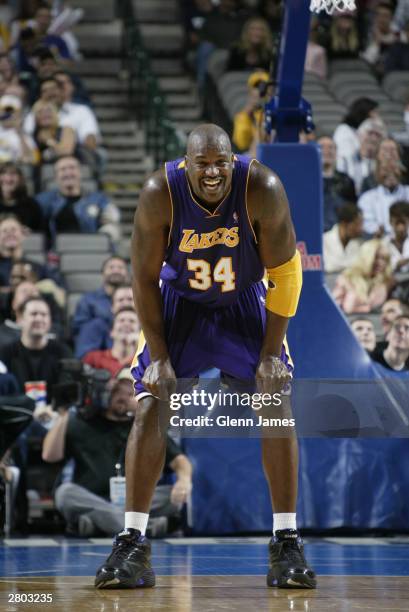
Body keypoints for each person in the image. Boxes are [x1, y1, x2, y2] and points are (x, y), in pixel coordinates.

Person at [94, 124, 316, 590]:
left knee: (276, 402)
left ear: (233, 160)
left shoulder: (263, 187)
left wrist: (271, 355)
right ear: (187, 163)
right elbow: (142, 279)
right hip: (180, 305)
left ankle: (286, 540)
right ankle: (132, 540)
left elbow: (285, 274)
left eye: (222, 163)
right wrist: (158, 356)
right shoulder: (160, 192)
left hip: (244, 302)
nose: (213, 172)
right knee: (152, 403)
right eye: (203, 164)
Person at [42, 378, 193, 537]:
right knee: (65, 493)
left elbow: (179, 460)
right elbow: (50, 456)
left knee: (173, 496)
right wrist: (63, 415)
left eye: (130, 394)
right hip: (92, 497)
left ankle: (99, 524)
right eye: (117, 392)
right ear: (105, 394)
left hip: (133, 501)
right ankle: (143, 528)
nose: (123, 398)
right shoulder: (82, 422)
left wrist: (184, 481)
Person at [35, 155, 120, 248]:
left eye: (72, 168)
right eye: (62, 169)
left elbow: (112, 221)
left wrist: (102, 239)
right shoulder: (44, 200)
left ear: (80, 172)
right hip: (56, 255)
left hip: (90, 251)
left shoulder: (99, 199)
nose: (68, 173)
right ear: (56, 176)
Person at [0, 296, 71, 402]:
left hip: (55, 414)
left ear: (50, 320)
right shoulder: (5, 353)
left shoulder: (63, 352)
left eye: (44, 314)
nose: (39, 318)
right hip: (17, 415)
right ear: (20, 318)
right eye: (33, 314)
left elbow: (69, 390)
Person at [72, 256, 129, 339]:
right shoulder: (88, 300)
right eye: (111, 267)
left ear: (127, 273)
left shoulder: (136, 300)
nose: (116, 270)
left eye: (120, 268)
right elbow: (81, 330)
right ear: (103, 273)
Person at [332, 239, 394, 314]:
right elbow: (333, 307)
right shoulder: (346, 278)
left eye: (384, 259)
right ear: (366, 257)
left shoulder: (385, 283)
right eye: (376, 257)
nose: (380, 263)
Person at [74, 284, 134, 359]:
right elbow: (84, 357)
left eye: (130, 299)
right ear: (112, 306)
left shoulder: (148, 329)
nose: (125, 303)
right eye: (120, 300)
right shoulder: (94, 326)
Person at [82, 308, 141, 378]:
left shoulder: (144, 361)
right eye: (121, 320)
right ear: (111, 332)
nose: (126, 324)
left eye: (132, 321)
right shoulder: (93, 358)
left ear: (140, 332)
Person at [358, 157, 409, 237]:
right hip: (378, 242)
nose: (390, 172)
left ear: (401, 172)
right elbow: (366, 224)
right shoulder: (367, 198)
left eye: (394, 168)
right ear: (377, 174)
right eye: (385, 169)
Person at [333, 98, 380, 178]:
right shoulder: (344, 131)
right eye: (374, 112)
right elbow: (345, 160)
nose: (377, 116)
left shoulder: (358, 131)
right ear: (365, 113)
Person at [318, 135, 356, 231]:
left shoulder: (347, 181)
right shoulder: (308, 180)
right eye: (322, 147)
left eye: (331, 147)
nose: (327, 151)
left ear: (336, 152)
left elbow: (352, 211)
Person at [232, 70, 269, 154]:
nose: (259, 91)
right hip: (252, 154)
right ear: (250, 91)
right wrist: (246, 115)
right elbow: (241, 143)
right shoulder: (243, 116)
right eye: (256, 86)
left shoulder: (272, 111)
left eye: (262, 87)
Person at [0, 161, 44, 231]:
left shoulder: (32, 205)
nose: (8, 179)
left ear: (21, 179)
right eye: (3, 173)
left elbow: (40, 235)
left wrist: (30, 233)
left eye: (13, 174)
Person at [32, 99, 75, 164]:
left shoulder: (66, 130)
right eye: (40, 112)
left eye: (48, 110)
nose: (45, 114)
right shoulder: (33, 135)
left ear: (55, 113)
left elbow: (66, 152)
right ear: (35, 117)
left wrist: (48, 141)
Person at [323, 203, 363, 273]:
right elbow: (329, 267)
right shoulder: (324, 240)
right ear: (344, 223)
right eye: (356, 224)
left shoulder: (357, 243)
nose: (360, 229)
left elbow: (360, 268)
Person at [0, 93, 36, 164]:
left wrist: (20, 133)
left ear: (19, 114)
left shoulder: (25, 134)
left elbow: (32, 160)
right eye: (5, 110)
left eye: (11, 111)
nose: (8, 114)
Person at [382, 201, 409, 273]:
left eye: (403, 222)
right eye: (397, 223)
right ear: (390, 221)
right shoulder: (384, 243)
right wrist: (399, 263)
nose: (401, 227)